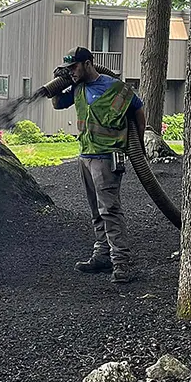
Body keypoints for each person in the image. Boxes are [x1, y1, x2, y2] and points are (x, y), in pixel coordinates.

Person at [52, 46, 146, 284]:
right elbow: (57, 104)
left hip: (107, 159)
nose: (72, 72)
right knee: (96, 211)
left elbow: (139, 108)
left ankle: (121, 263)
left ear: (88, 63)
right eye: (69, 69)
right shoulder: (78, 88)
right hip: (85, 156)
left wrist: (138, 142)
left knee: (110, 211)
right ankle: (102, 255)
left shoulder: (114, 87)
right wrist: (58, 81)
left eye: (74, 67)